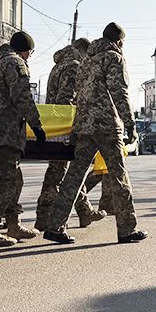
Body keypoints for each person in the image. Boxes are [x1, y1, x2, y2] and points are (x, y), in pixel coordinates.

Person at [41, 23, 147, 244]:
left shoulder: (86, 60)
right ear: (119, 41)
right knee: (118, 176)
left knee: (74, 176)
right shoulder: (113, 57)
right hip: (106, 125)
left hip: (83, 125)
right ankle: (127, 229)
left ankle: (55, 226)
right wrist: (130, 123)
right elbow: (119, 92)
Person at [0, 32, 47, 248]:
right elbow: (22, 97)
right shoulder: (15, 63)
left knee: (13, 179)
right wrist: (36, 124)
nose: (30, 56)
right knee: (6, 181)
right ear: (25, 49)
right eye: (31, 52)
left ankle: (11, 223)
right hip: (5, 132)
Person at [34, 39, 104, 231]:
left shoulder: (60, 64)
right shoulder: (73, 67)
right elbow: (65, 101)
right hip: (64, 128)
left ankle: (84, 211)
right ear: (83, 51)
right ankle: (44, 215)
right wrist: (72, 128)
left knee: (68, 172)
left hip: (55, 126)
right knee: (59, 173)